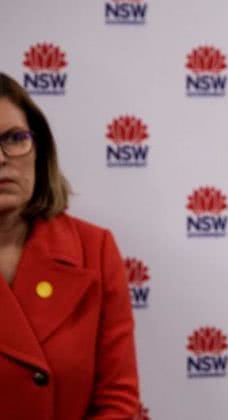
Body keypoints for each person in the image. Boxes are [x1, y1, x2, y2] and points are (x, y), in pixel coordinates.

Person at [0, 73, 140, 419]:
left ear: (39, 149)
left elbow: (118, 399)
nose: (2, 158)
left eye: (14, 138)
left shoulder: (94, 249)